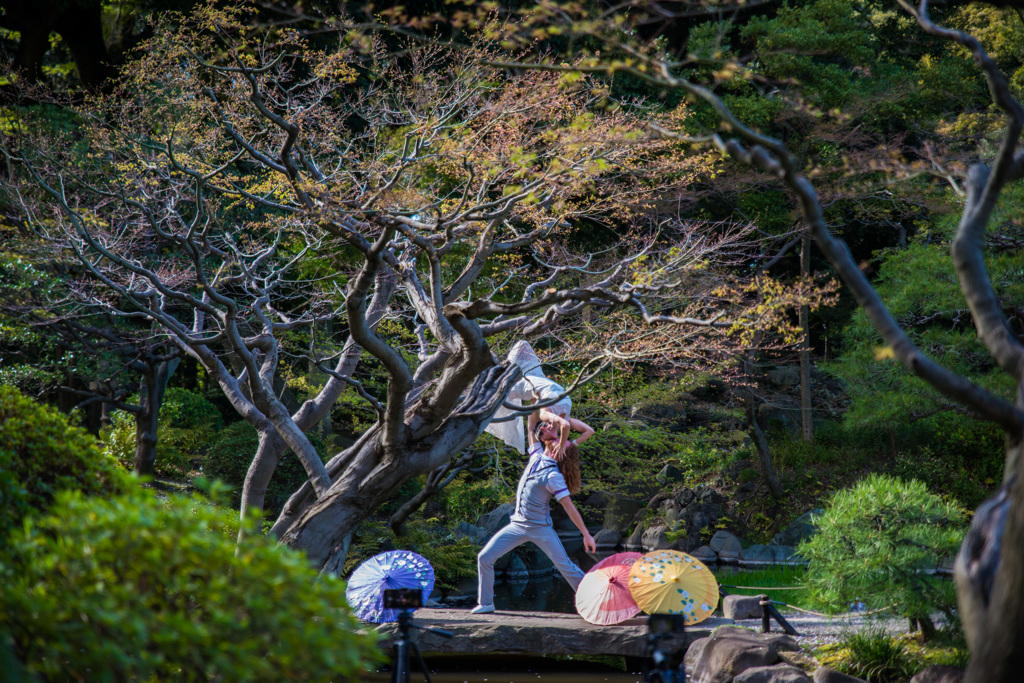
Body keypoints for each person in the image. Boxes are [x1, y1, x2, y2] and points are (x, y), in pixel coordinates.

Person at [471, 416, 596, 615]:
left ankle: (595, 600)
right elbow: (531, 426)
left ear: (562, 451)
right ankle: (486, 603)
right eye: (553, 437)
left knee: (566, 567)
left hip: (540, 529)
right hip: (517, 526)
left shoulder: (553, 476)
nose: (556, 439)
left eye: (559, 440)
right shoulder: (536, 454)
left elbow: (570, 508)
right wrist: (536, 399)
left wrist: (586, 534)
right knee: (485, 557)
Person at [484, 340, 573, 457]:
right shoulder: (555, 417)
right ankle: (494, 365)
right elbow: (569, 426)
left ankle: (489, 363)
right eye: (544, 440)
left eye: (543, 440)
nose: (545, 441)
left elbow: (564, 425)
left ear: (543, 429)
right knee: (522, 345)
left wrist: (562, 446)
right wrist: (564, 446)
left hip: (534, 386)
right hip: (538, 381)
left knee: (496, 393)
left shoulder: (545, 415)